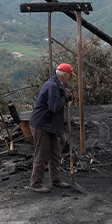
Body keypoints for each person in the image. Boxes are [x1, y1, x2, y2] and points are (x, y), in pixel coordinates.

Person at [28, 63, 76, 193]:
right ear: (64, 75)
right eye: (70, 76)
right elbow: (54, 107)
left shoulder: (57, 84)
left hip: (50, 125)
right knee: (42, 154)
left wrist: (65, 95)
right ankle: (35, 184)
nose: (70, 78)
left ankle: (56, 180)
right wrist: (64, 98)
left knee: (55, 153)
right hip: (42, 125)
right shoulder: (52, 86)